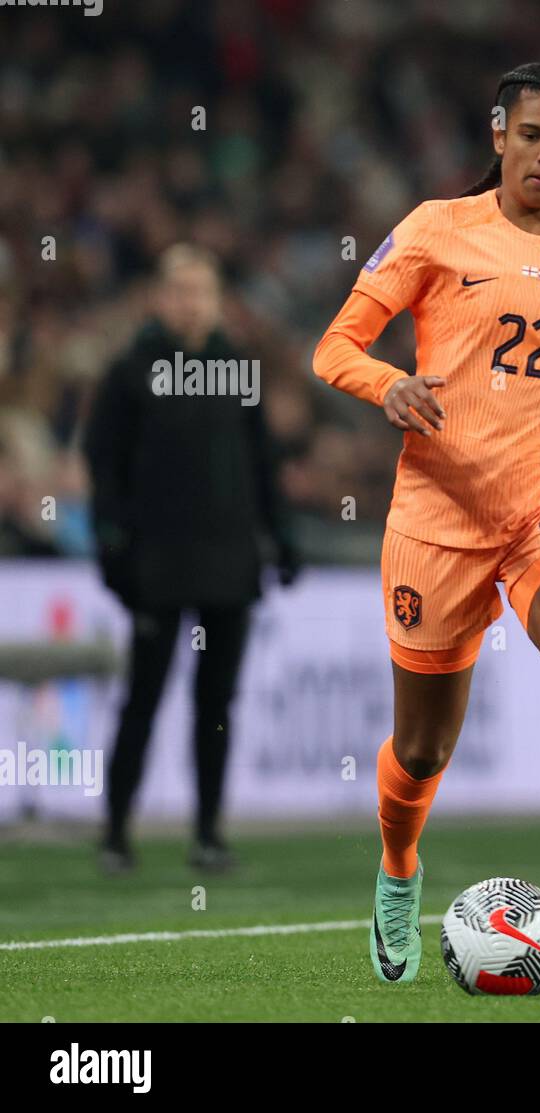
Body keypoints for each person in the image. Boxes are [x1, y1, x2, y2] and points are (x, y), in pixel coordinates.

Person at [313, 62, 540, 985]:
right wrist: (387, 383)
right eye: (533, 135)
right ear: (498, 135)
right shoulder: (437, 229)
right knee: (424, 745)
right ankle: (399, 869)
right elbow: (335, 347)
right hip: (436, 517)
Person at [84, 243, 299, 874]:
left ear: (217, 297)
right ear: (159, 295)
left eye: (202, 289)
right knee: (143, 697)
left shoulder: (237, 368)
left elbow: (262, 464)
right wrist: (112, 545)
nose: (191, 301)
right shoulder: (131, 370)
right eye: (180, 289)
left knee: (217, 705)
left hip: (229, 563)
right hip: (157, 563)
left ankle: (208, 832)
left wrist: (280, 537)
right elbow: (104, 465)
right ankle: (116, 832)